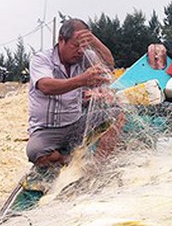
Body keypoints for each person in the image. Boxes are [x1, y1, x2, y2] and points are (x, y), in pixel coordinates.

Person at [26, 18, 114, 167]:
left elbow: (109, 64)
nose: (80, 51)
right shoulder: (42, 59)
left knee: (116, 116)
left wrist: (93, 41)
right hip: (47, 129)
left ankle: (98, 164)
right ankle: (67, 161)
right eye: (75, 45)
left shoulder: (84, 57)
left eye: (84, 46)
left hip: (75, 123)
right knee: (35, 152)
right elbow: (46, 86)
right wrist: (82, 80)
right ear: (61, 40)